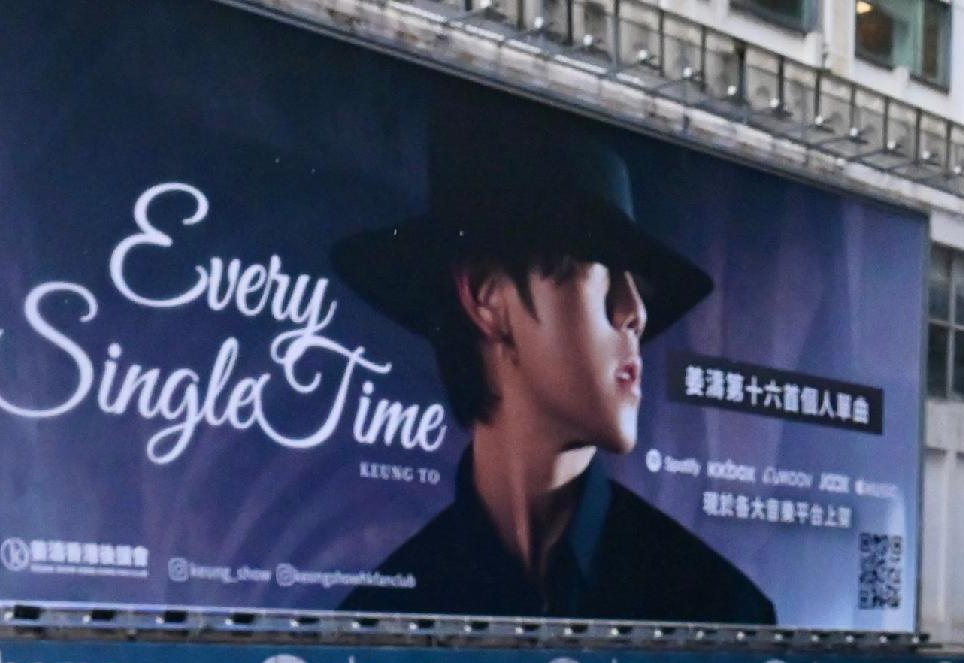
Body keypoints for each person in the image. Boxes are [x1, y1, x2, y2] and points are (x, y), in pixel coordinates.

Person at [329, 95, 777, 626]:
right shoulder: (382, 618)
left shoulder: (717, 609)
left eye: (636, 281)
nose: (634, 312)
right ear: (488, 299)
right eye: (599, 270)